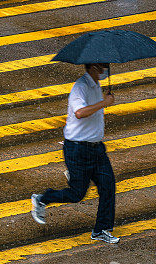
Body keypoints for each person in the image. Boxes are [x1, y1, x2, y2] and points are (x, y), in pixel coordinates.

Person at [31, 63, 119, 244]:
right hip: (78, 149)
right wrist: (104, 102)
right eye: (103, 64)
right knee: (77, 194)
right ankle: (42, 198)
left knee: (108, 186)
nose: (106, 67)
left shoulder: (96, 85)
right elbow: (79, 113)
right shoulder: (80, 87)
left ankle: (101, 230)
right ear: (94, 66)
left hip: (97, 149)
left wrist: (103, 100)